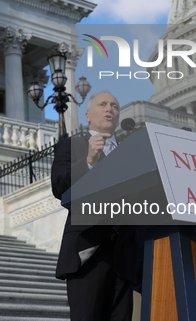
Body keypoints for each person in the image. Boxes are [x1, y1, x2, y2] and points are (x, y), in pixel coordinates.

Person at [51, 90, 142, 320]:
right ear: (88, 115)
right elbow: (60, 188)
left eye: (114, 105)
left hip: (124, 257)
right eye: (102, 104)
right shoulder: (70, 145)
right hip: (87, 252)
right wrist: (89, 160)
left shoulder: (131, 155)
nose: (109, 109)